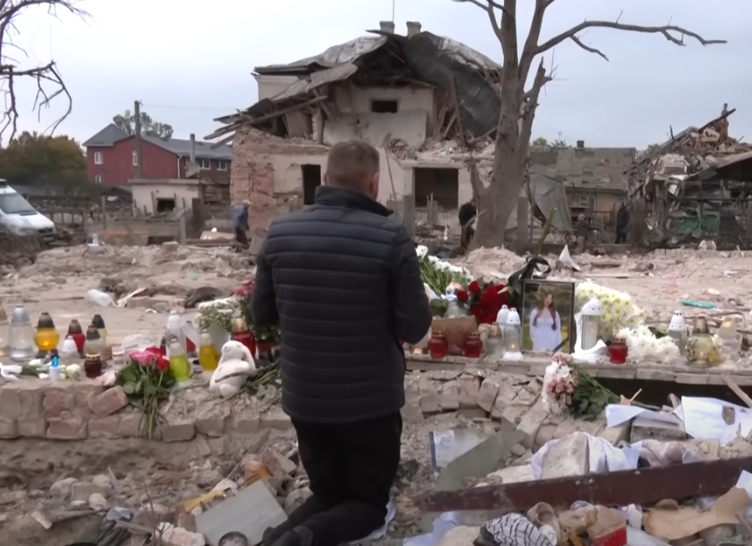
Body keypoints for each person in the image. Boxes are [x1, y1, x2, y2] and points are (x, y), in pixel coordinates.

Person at [252, 139, 433, 546]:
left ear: (325, 177)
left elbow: (261, 315)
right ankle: (300, 539)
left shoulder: (281, 233)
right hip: (369, 405)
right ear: (373, 183)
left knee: (328, 494)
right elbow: (415, 327)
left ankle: (277, 540)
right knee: (368, 504)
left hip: (306, 399)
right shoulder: (390, 238)